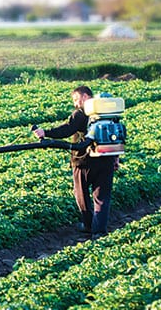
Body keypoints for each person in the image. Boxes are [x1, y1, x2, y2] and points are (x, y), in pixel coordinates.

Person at [33, 85, 119, 240]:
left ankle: (87, 225)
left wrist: (45, 133)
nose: (75, 104)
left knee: (81, 194)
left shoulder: (81, 114)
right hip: (106, 160)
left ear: (85, 97)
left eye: (76, 99)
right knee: (102, 197)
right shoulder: (109, 114)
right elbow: (117, 137)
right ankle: (99, 231)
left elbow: (67, 129)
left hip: (83, 162)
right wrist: (116, 158)